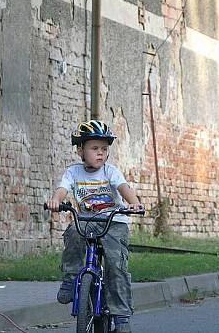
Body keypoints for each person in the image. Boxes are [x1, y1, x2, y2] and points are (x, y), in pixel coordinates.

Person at [45, 120, 144, 333]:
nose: (100, 153)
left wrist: (133, 202)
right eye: (94, 148)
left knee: (115, 267)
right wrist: (55, 200)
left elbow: (124, 188)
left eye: (104, 149)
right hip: (87, 221)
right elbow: (62, 190)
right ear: (80, 150)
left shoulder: (110, 171)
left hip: (113, 222)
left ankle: (121, 317)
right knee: (72, 233)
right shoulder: (73, 172)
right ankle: (71, 278)